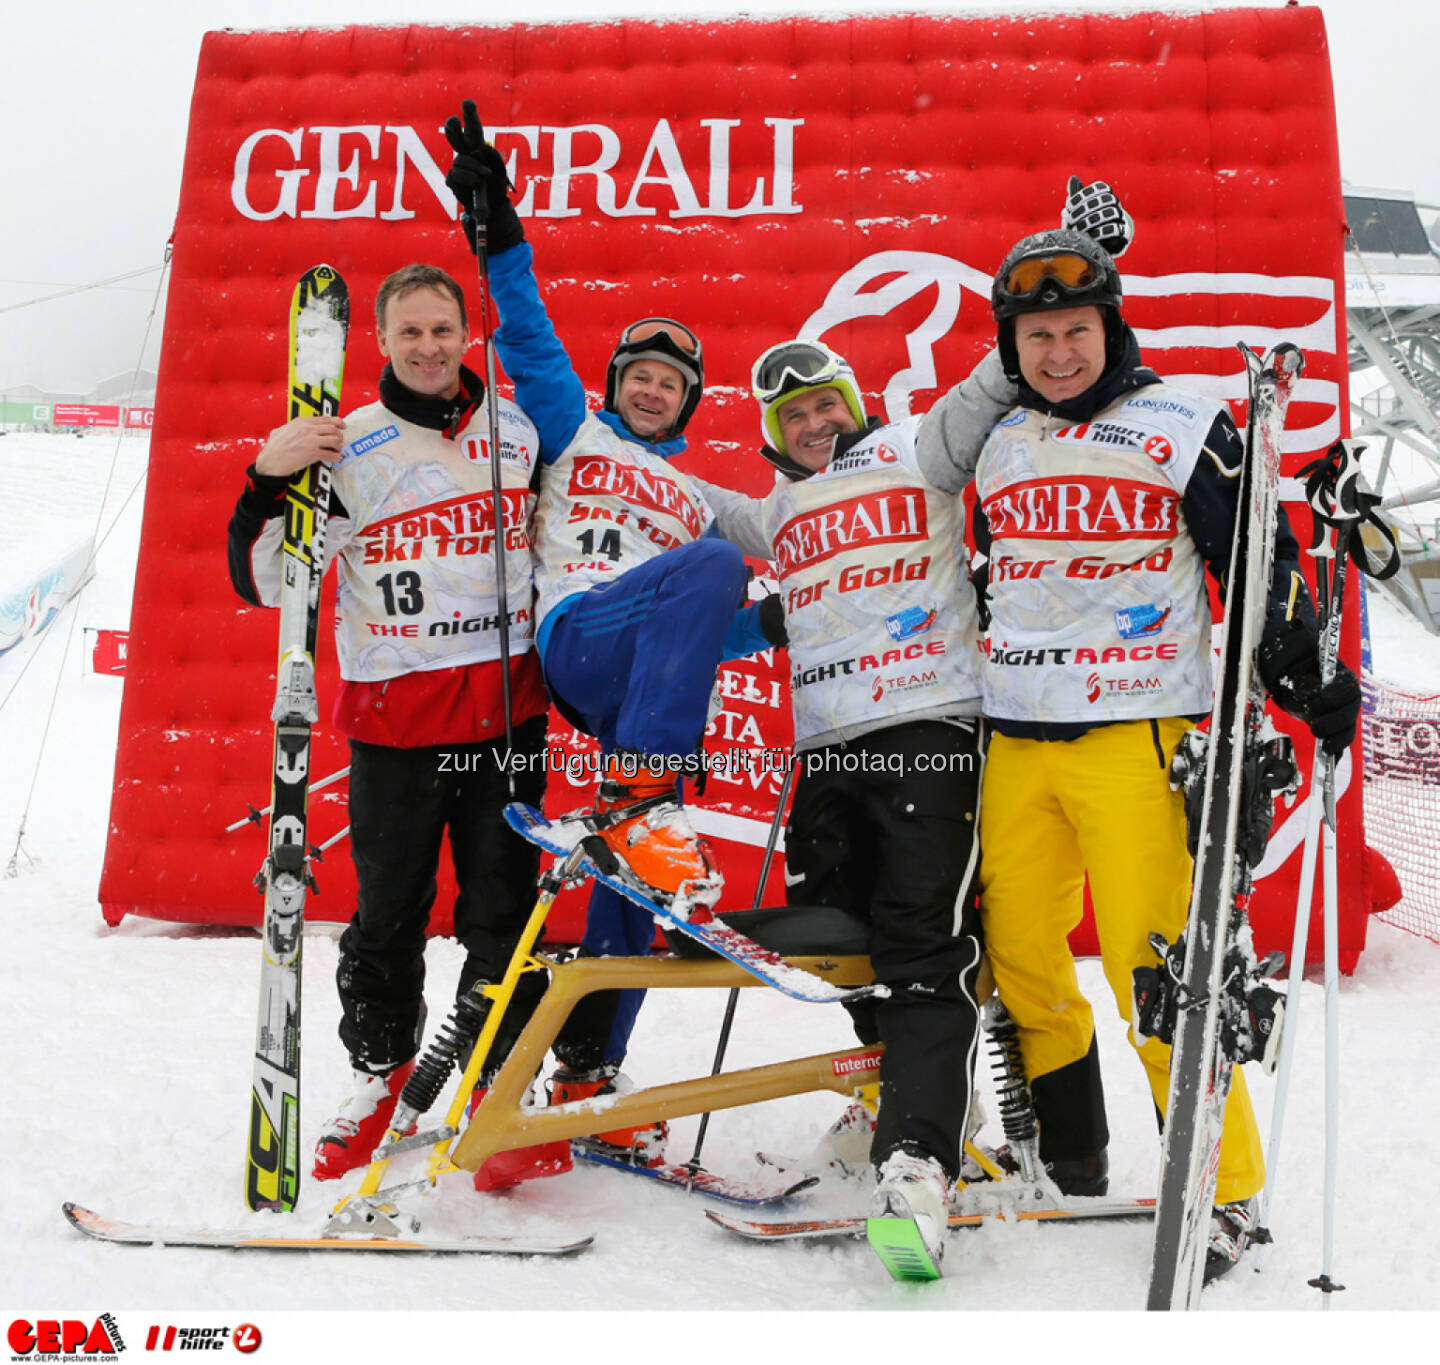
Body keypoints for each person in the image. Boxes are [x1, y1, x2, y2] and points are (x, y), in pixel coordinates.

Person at [917, 227, 1361, 1281]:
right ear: (1010, 346)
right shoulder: (1002, 437)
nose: (1058, 352)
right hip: (1017, 739)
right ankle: (1072, 1156)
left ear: (1110, 327)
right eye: (1036, 336)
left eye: (1076, 330)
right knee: (1020, 959)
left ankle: (1225, 1189)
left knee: (1162, 976)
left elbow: (1257, 560)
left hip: (1137, 733)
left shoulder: (1184, 418)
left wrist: (1305, 674)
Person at [443, 103, 780, 1162]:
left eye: (671, 380)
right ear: (618, 380)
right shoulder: (573, 427)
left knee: (635, 900)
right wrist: (496, 228)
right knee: (721, 567)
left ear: (689, 402)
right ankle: (639, 796)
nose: (651, 384)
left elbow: (705, 630)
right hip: (580, 639)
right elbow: (530, 330)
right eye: (639, 369)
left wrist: (772, 625)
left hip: (644, 697)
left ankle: (588, 1074)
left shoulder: (700, 494)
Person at [226, 263, 572, 1193]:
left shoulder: (518, 431)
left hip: (504, 716)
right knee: (388, 919)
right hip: (395, 719)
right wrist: (266, 479)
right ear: (382, 341)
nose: (428, 348)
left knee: (506, 912)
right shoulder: (348, 448)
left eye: (442, 331)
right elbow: (266, 581)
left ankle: (498, 1092)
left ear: (468, 336)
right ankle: (380, 1077)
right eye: (410, 332)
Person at [693, 337, 999, 1277]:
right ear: (773, 433)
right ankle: (909, 1093)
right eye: (793, 416)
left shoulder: (919, 447)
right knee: (846, 944)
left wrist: (1080, 256)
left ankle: (916, 1163)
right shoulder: (777, 506)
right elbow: (686, 501)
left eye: (827, 404)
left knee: (920, 939)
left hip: (929, 725)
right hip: (825, 753)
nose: (815, 422)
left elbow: (999, 378)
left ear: (852, 402)